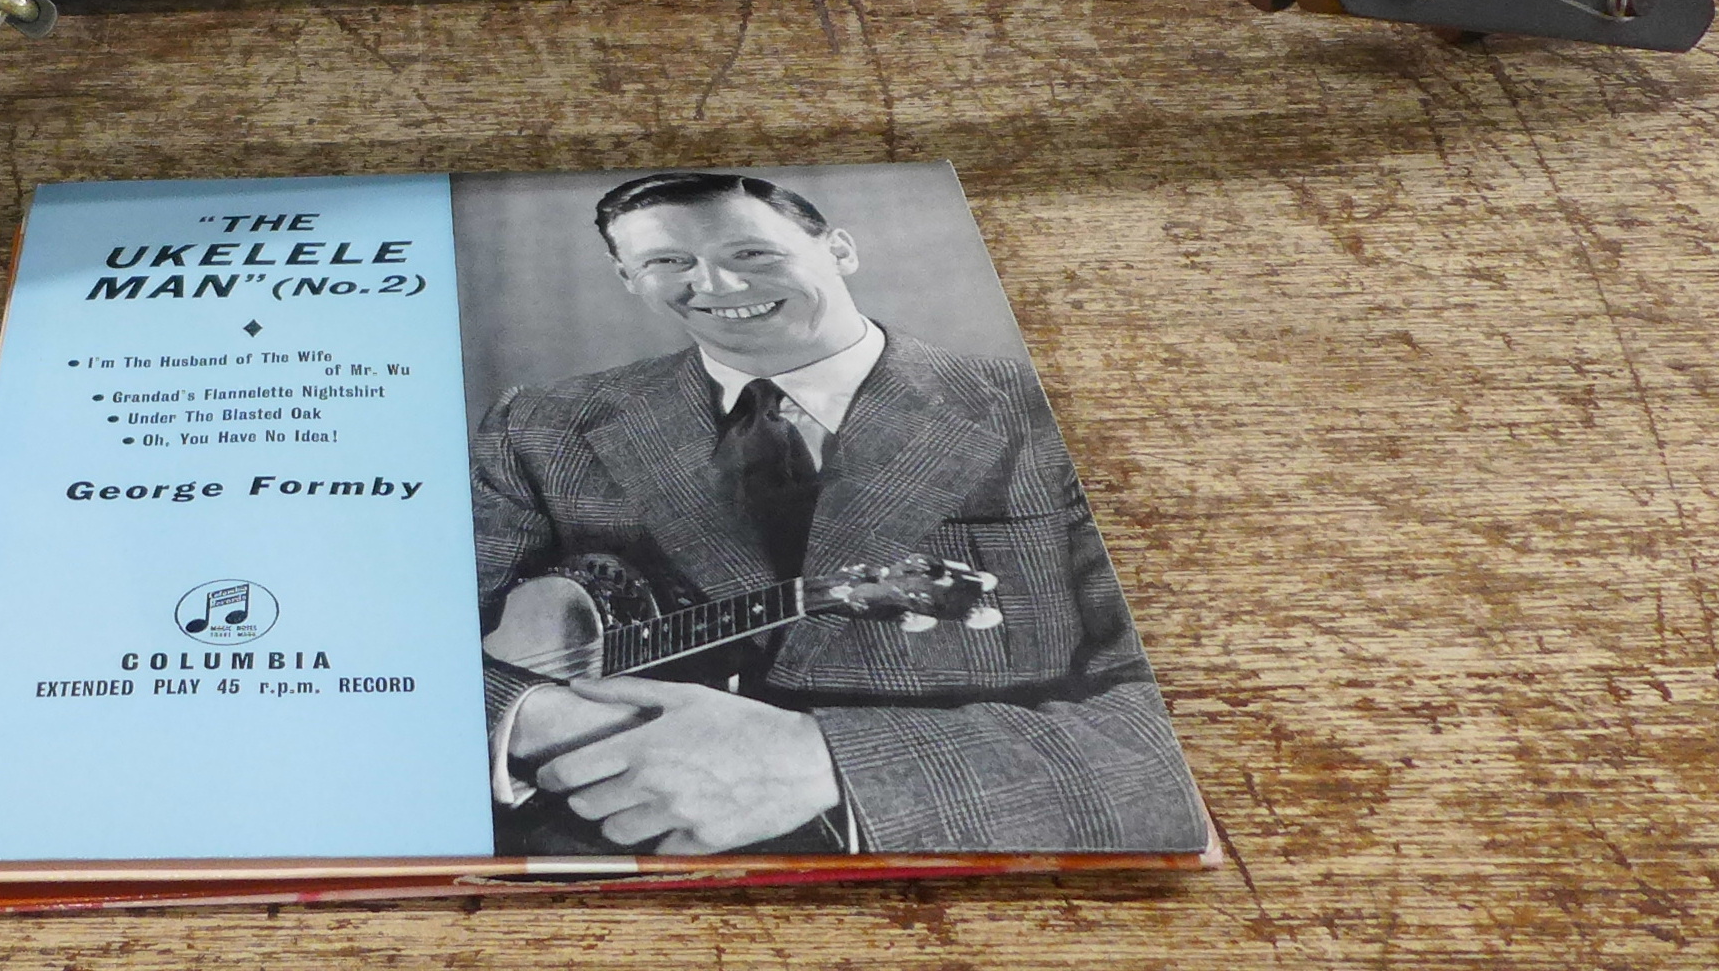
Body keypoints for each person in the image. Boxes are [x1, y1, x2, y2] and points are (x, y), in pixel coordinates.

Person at [471, 170, 1206, 856]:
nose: (717, 284)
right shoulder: (541, 424)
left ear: (840, 250)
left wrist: (834, 763)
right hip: (597, 857)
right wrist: (535, 719)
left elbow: (1187, 726)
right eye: (667, 262)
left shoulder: (1053, 410)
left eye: (750, 250)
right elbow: (396, 649)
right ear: (628, 279)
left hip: (968, 871)